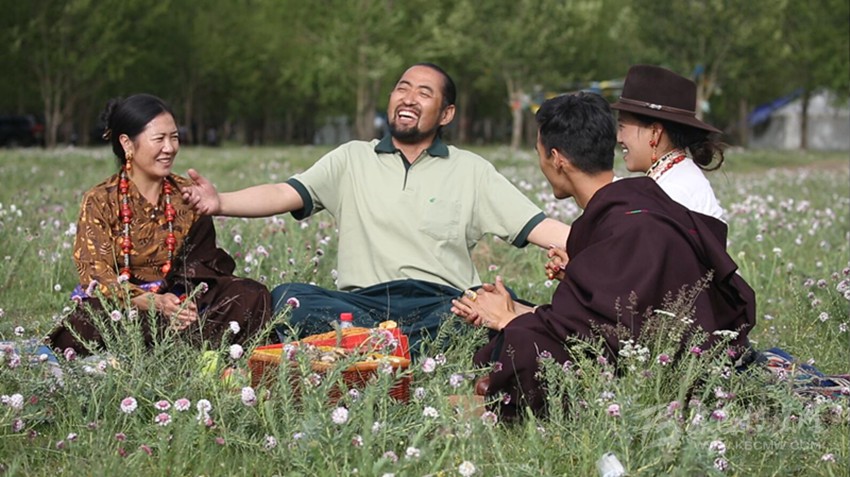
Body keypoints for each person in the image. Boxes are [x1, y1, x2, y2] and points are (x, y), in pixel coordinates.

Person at [183, 63, 571, 354]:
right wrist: (220, 202)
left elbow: (541, 227)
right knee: (289, 299)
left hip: (441, 303)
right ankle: (397, 347)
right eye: (402, 88)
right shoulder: (351, 158)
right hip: (361, 304)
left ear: (447, 114)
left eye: (424, 93)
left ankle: (366, 348)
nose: (408, 98)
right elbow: (284, 192)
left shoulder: (472, 170)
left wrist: (599, 241)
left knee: (487, 308)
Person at [451, 92, 756, 419]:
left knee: (524, 342)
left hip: (667, 367)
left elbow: (613, 335)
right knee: (515, 332)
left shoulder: (632, 223)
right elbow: (598, 312)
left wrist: (510, 319)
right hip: (655, 345)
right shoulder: (631, 204)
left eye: (539, 154)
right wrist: (516, 310)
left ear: (557, 159)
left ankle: (499, 400)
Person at [48, 94, 272, 356]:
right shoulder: (100, 200)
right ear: (127, 143)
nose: (170, 148)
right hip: (127, 307)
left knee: (251, 294)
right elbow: (95, 275)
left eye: (174, 137)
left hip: (181, 301)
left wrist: (181, 302)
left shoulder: (187, 194)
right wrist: (151, 302)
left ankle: (166, 350)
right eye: (159, 139)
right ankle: (187, 349)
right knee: (91, 319)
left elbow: (204, 266)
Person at [612, 64, 726, 220]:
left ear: (655, 132)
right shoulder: (676, 176)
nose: (618, 138)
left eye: (622, 126)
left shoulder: (673, 191)